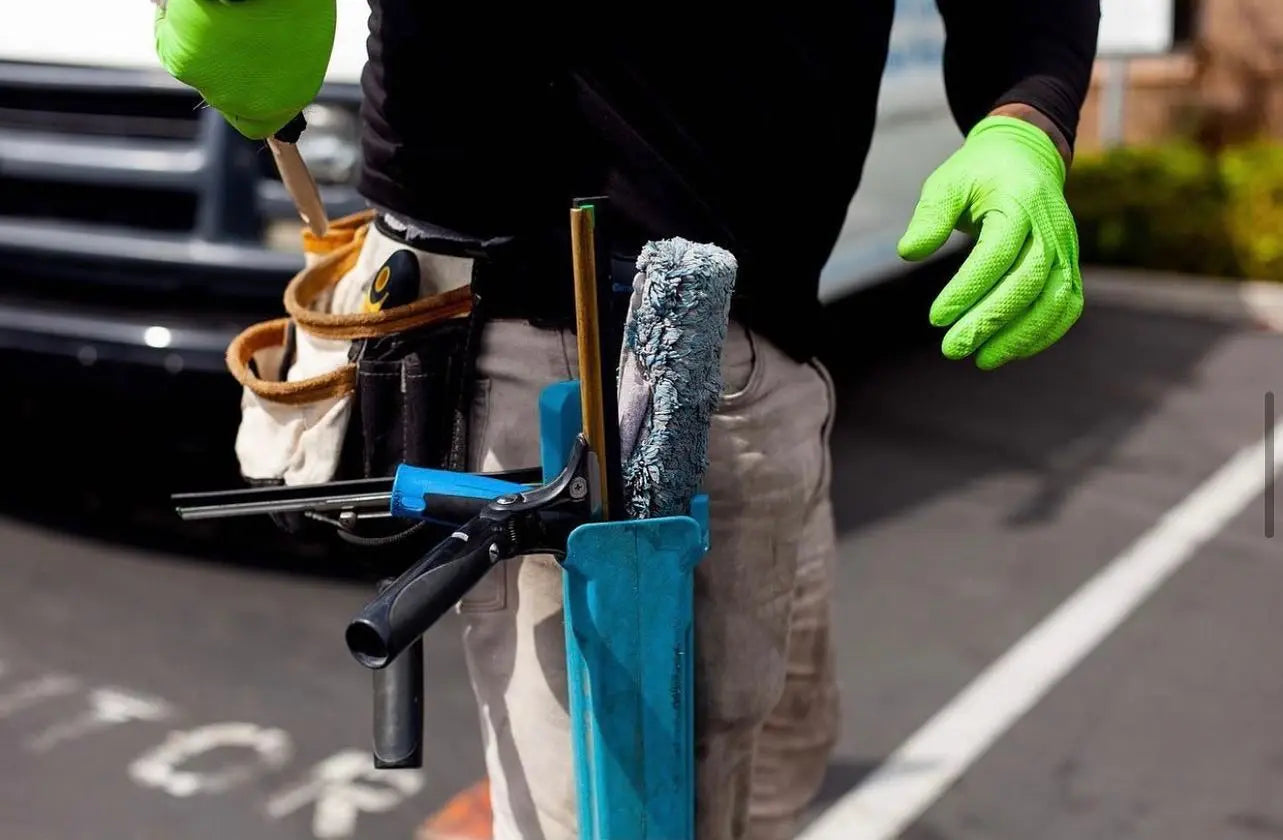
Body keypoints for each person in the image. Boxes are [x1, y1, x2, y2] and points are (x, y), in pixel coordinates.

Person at [155, 4, 1101, 838]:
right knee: (615, 810)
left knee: (771, 759)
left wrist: (1022, 119)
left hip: (763, 345)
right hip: (524, 317)